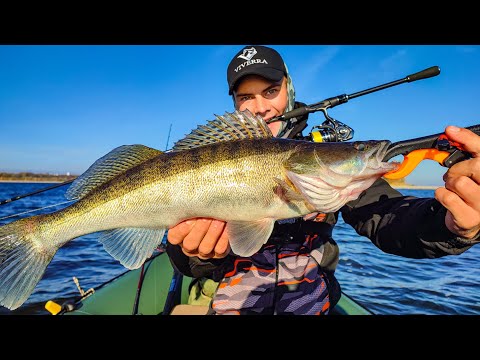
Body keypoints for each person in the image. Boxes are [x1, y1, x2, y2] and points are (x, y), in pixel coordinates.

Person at [166, 45, 480, 315]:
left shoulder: (327, 165)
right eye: (246, 96)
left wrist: (448, 223)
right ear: (234, 102)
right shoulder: (210, 155)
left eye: (270, 91)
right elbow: (189, 262)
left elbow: (389, 216)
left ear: (289, 88)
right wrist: (194, 252)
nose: (260, 107)